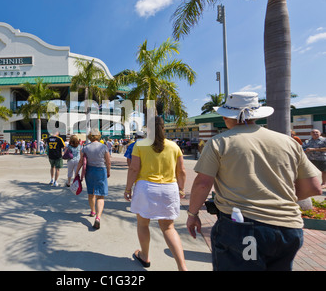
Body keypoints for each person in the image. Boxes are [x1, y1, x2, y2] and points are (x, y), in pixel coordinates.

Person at [187, 92, 322, 271]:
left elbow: (203, 183)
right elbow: (314, 187)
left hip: (242, 227)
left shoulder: (219, 142)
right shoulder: (289, 142)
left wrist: (192, 214)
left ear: (227, 116)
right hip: (289, 228)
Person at [124, 117, 187, 271]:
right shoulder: (174, 146)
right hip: (169, 188)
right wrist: (181, 189)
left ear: (148, 129)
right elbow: (182, 171)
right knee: (168, 227)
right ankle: (182, 267)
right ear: (164, 128)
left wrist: (127, 188)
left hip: (146, 188)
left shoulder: (140, 145)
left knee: (143, 223)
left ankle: (145, 256)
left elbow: (133, 169)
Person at [76, 128, 111, 229]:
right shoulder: (104, 147)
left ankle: (92, 211)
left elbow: (81, 161)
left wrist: (77, 173)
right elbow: (108, 162)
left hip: (89, 171)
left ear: (90, 136)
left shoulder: (85, 147)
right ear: (98, 136)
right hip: (101, 170)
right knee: (100, 196)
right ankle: (98, 217)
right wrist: (108, 171)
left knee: (91, 193)